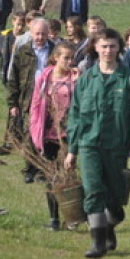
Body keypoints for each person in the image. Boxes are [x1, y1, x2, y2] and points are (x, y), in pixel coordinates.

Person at [65, 28, 130, 259]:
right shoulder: (87, 79)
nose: (108, 51)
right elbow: (76, 115)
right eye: (103, 46)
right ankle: (97, 243)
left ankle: (109, 224)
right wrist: (72, 151)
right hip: (90, 144)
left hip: (117, 146)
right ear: (95, 48)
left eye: (112, 46)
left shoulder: (129, 78)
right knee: (93, 191)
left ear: (119, 48)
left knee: (115, 196)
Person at [29, 42, 79, 230]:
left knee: (68, 175)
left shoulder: (76, 78)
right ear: (56, 57)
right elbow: (35, 106)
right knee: (51, 177)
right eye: (66, 57)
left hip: (68, 134)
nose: (70, 61)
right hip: (49, 134)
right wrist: (35, 133)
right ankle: (54, 219)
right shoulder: (45, 78)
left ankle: (73, 217)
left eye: (72, 58)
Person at [7, 17, 57, 182]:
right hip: (29, 100)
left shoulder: (55, 51)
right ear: (31, 33)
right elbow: (13, 78)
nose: (40, 37)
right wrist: (13, 103)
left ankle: (45, 170)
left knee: (48, 135)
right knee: (30, 135)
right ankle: (30, 169)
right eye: (37, 34)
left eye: (43, 34)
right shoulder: (23, 51)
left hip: (51, 100)